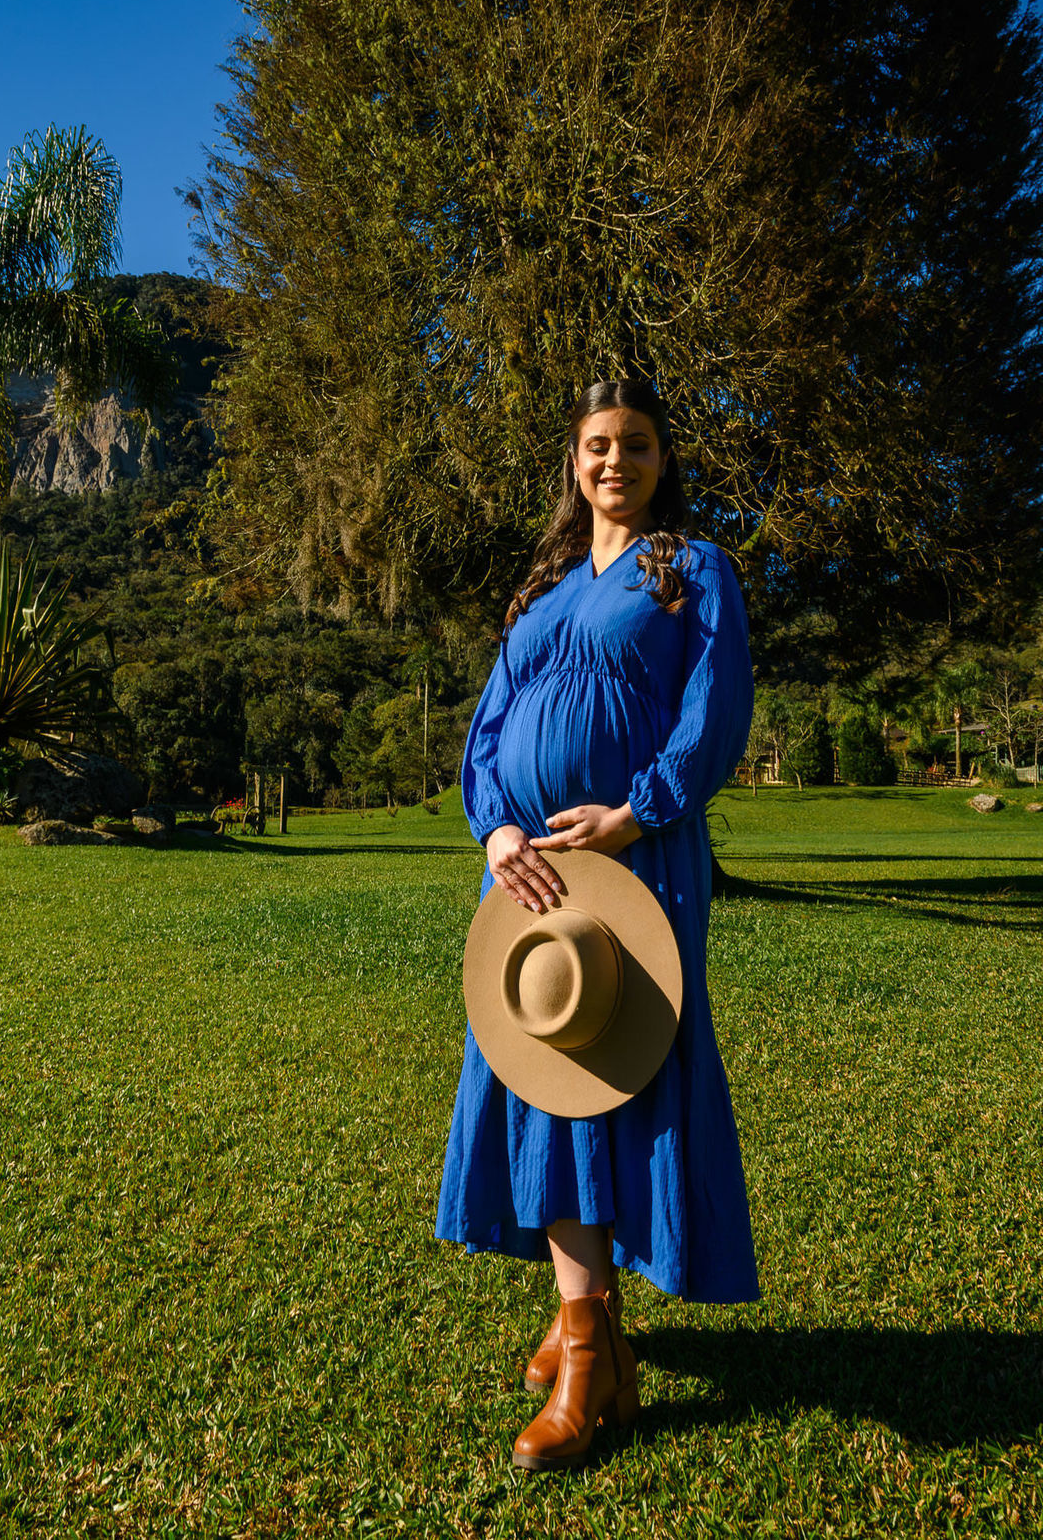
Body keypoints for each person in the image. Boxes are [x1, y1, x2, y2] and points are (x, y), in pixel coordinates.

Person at [435, 378, 759, 1472]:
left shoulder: (691, 571)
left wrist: (636, 812)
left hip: (635, 865)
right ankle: (588, 1323)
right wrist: (495, 834)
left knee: (612, 1069)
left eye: (635, 444)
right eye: (595, 445)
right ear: (573, 464)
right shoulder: (542, 594)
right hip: (528, 879)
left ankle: (588, 1354)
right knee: (544, 1073)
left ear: (664, 459)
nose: (613, 460)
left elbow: (714, 715)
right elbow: (487, 735)